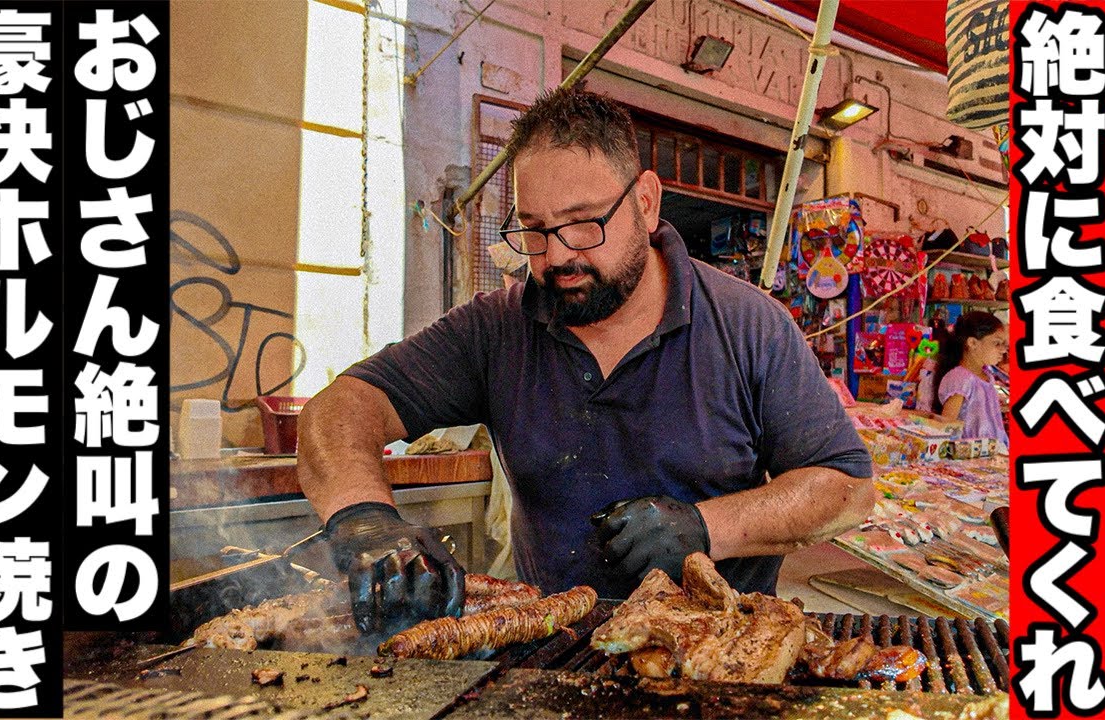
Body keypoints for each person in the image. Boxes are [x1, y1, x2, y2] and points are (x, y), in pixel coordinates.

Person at [296, 86, 874, 638]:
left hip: (725, 654)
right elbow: (341, 408)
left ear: (645, 203)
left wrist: (706, 528)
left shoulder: (748, 325)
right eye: (535, 230)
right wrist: (363, 521)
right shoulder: (496, 329)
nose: (557, 256)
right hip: (554, 648)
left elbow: (847, 489)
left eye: (582, 224)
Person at [932, 311, 1008, 447]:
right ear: (972, 343)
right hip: (970, 454)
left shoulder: (988, 376)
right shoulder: (960, 379)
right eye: (997, 343)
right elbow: (946, 425)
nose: (1003, 350)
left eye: (1003, 344)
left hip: (992, 452)